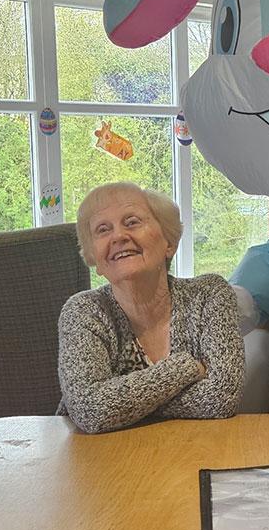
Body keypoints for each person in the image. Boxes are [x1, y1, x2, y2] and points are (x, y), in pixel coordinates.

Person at [57, 182, 245, 433]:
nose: (118, 236)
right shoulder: (83, 311)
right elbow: (90, 411)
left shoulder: (209, 294)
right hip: (98, 459)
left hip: (192, 452)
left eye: (132, 222)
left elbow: (223, 396)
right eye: (103, 230)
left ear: (169, 242)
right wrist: (185, 368)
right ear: (95, 260)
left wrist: (122, 405)